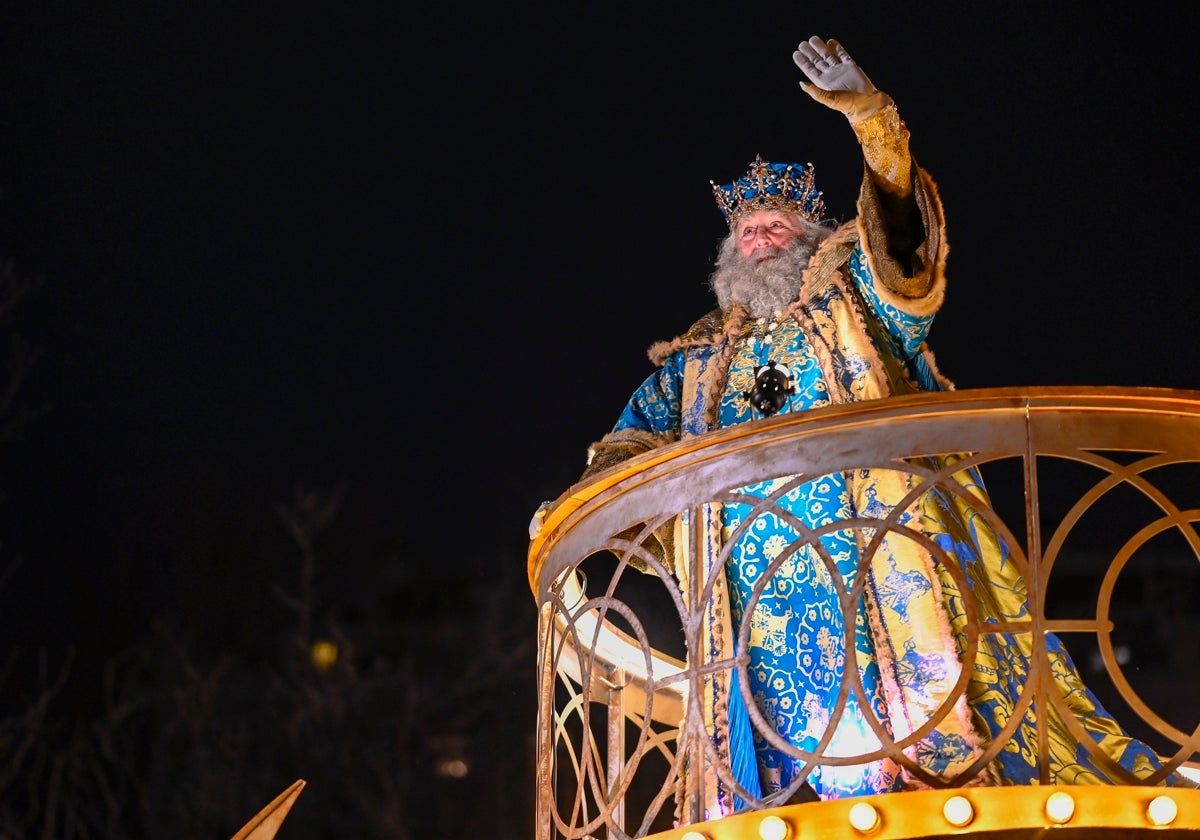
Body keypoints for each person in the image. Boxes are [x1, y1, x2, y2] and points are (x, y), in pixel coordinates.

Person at [533, 36, 1192, 814]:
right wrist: (577, 510)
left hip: (876, 562)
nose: (760, 237)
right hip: (752, 588)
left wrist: (873, 123)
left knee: (916, 747)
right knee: (785, 772)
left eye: (776, 226)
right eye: (746, 231)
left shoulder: (852, 312)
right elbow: (630, 448)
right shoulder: (695, 364)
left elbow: (906, 258)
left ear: (811, 241)